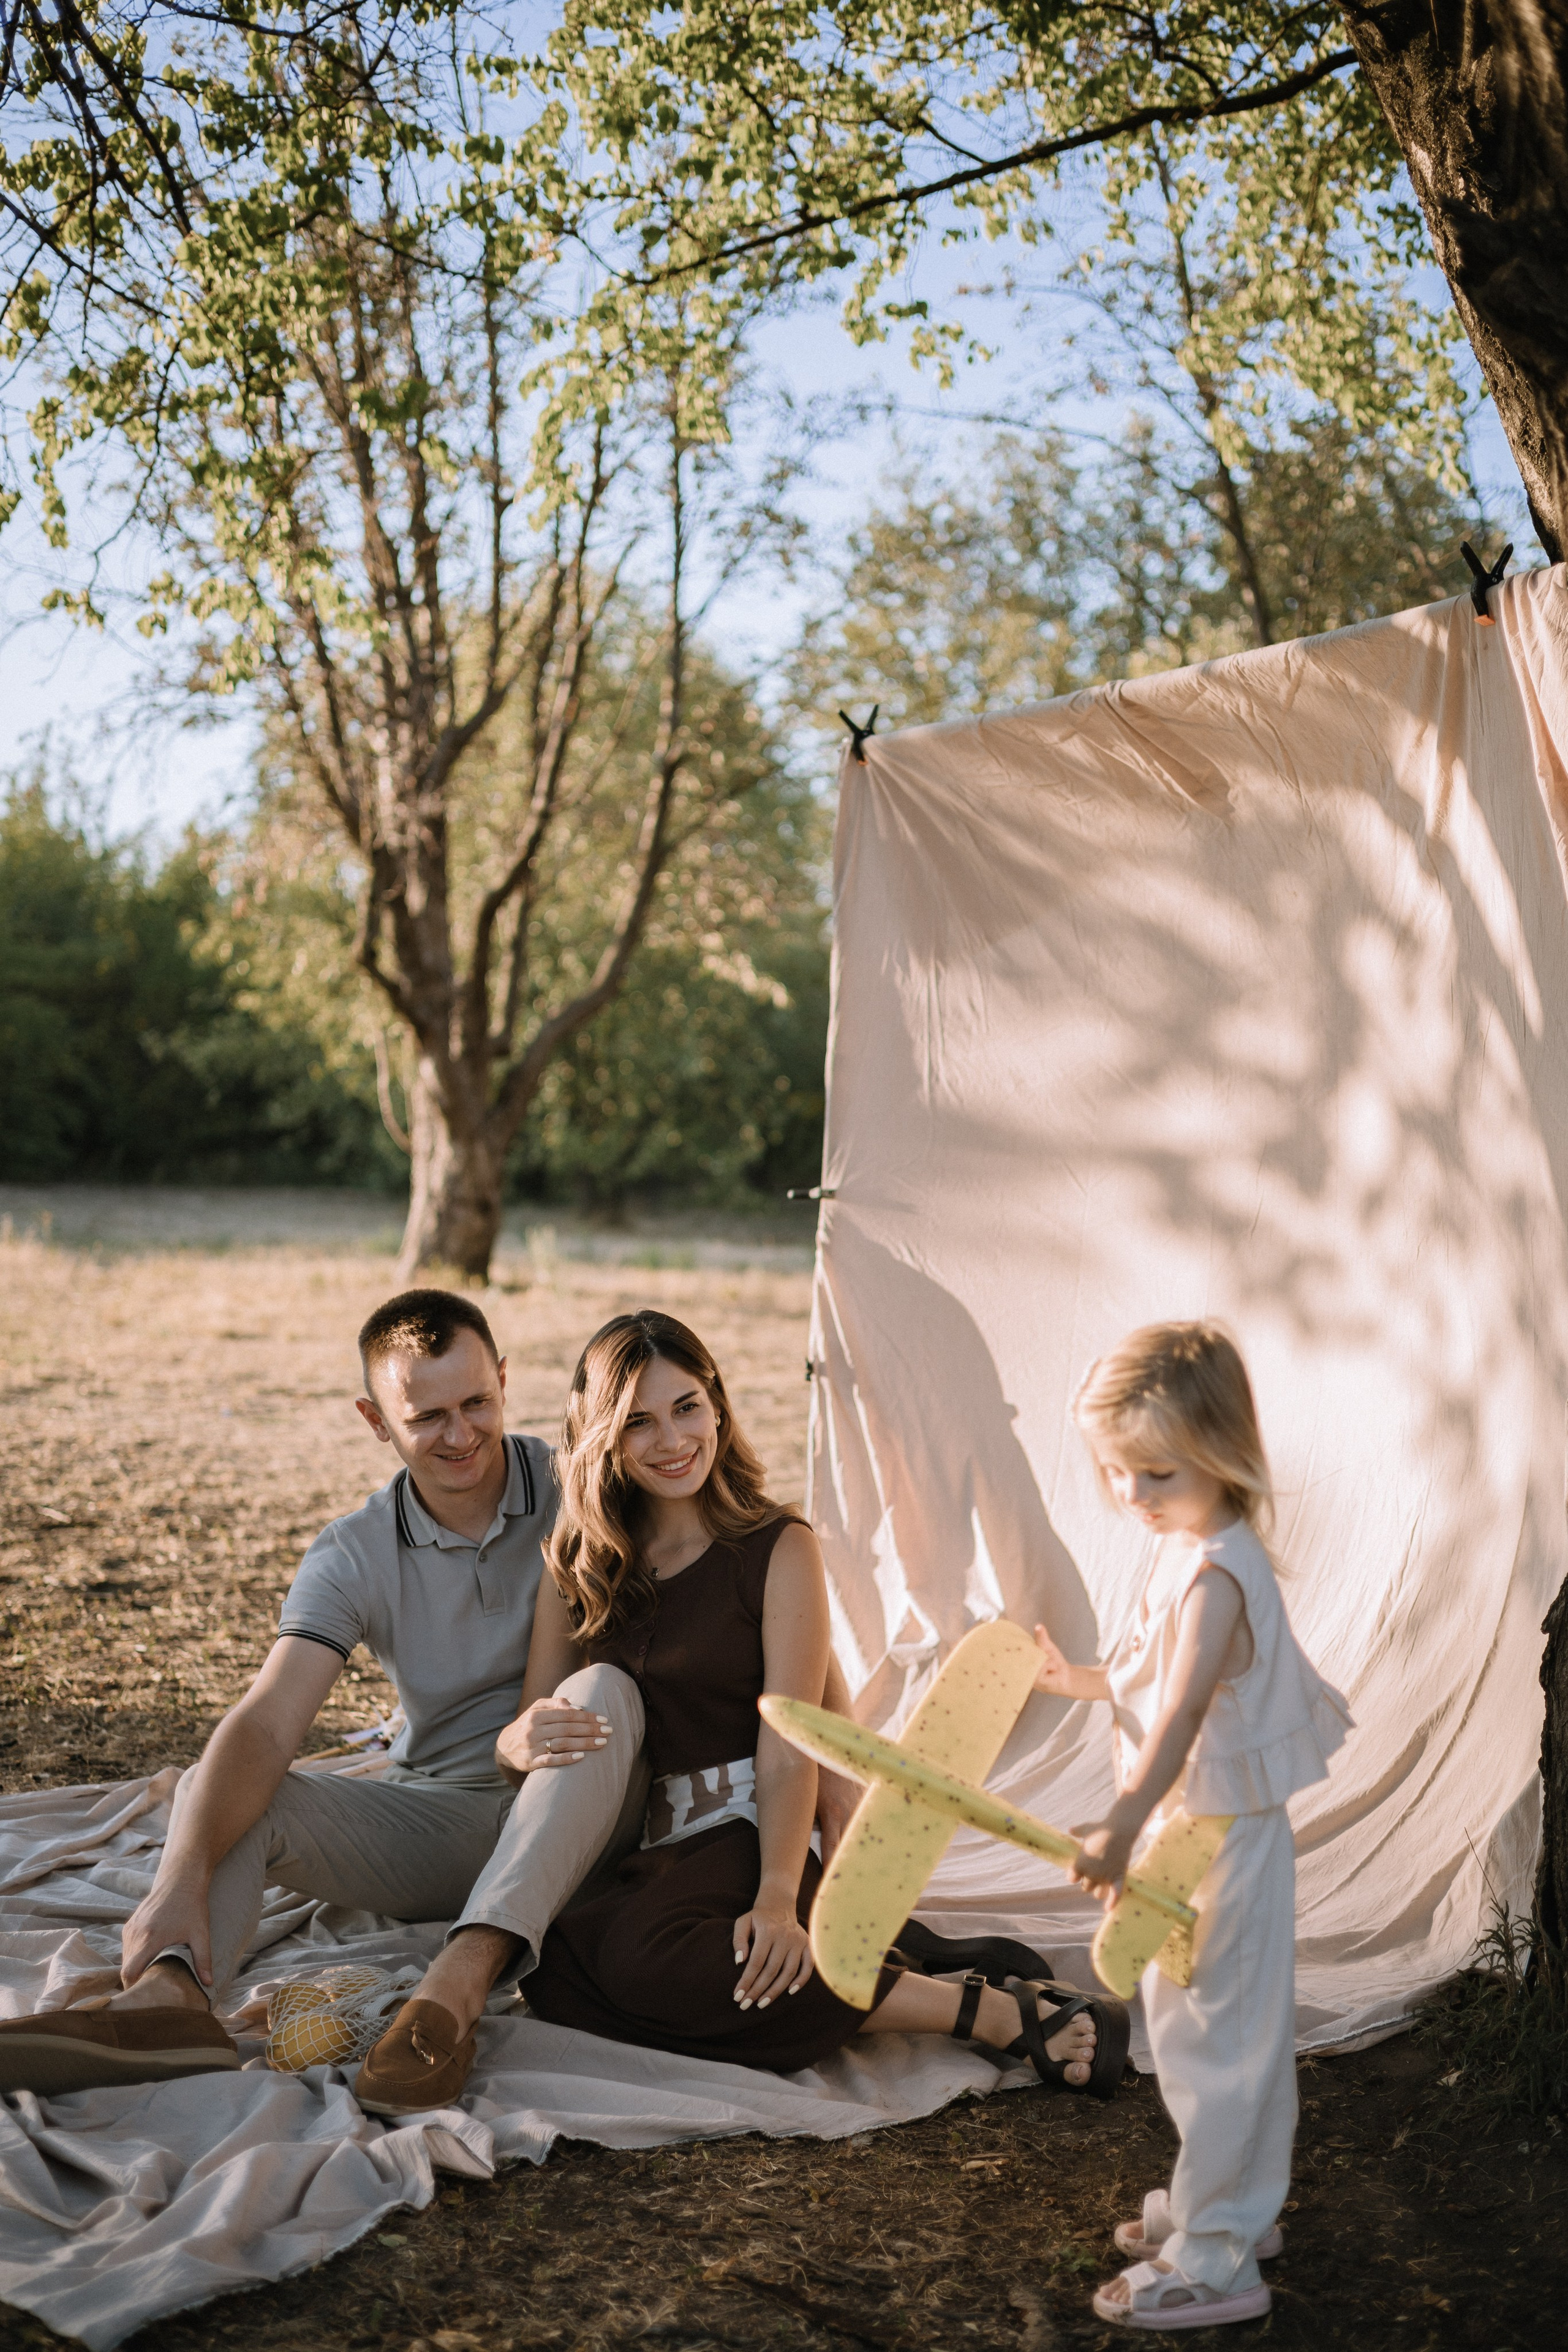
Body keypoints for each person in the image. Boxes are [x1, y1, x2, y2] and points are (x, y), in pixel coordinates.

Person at [0, 1287, 855, 2109]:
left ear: (506, 1382)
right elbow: (266, 1721)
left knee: (599, 1691)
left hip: (597, 1808)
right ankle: (171, 2002)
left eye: (477, 1403)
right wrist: (178, 1877)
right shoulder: (354, 1554)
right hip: (447, 1817)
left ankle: (455, 1991)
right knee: (219, 1793)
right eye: (428, 1417)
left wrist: (834, 1843)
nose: (462, 1436)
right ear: (376, 1422)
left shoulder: (593, 1483)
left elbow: (784, 1642)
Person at [520, 1310, 1128, 2089]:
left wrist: (778, 1898)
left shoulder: (777, 1546)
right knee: (561, 1973)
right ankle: (907, 1975)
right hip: (651, 1844)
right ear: (602, 1432)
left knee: (676, 1966)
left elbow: (792, 1740)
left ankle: (988, 2015)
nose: (671, 1442)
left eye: (686, 1408)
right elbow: (536, 1738)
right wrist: (515, 1744)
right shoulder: (581, 1560)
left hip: (764, 1826)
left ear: (717, 1404)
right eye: (637, 1422)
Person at [1032, 1321, 1352, 2332]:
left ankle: (1218, 2259)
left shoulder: (1219, 1573)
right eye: (1116, 1472)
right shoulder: (1179, 1545)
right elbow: (1146, 1679)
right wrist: (1074, 1679)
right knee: (1189, 2020)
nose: (1131, 1494)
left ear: (1221, 1454)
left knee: (1223, 2037)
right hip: (1189, 1834)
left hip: (1219, 1840)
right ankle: (1236, 2206)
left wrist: (1122, 1821)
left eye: (1155, 1472)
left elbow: (1178, 1717)